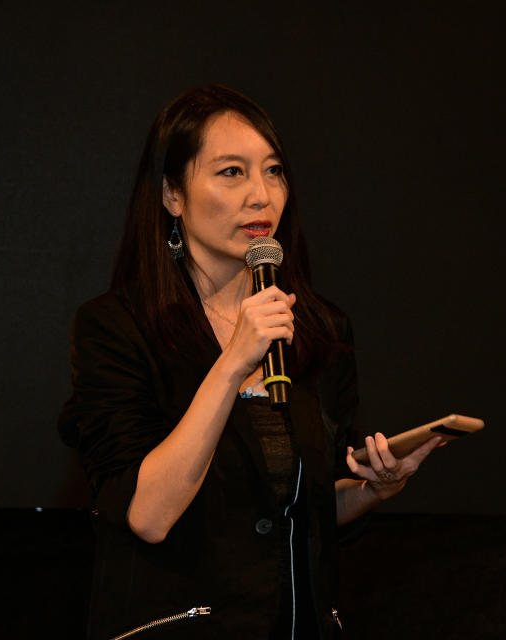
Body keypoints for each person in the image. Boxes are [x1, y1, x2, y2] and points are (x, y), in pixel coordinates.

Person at [58, 85, 441, 639]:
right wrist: (232, 363)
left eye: (274, 171)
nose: (261, 196)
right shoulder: (118, 327)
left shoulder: (317, 327)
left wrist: (373, 489)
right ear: (172, 194)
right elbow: (148, 514)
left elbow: (302, 513)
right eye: (232, 172)